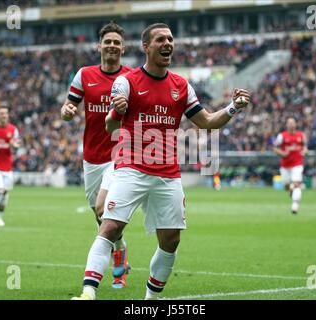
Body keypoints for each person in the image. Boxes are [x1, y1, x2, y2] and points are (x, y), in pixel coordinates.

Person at [71, 23, 250, 300]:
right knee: (110, 225)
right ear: (146, 47)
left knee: (171, 240)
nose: (168, 43)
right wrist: (115, 114)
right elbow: (109, 127)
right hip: (130, 168)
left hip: (168, 173)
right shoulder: (127, 81)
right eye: (160, 39)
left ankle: (150, 300)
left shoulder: (181, 85)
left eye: (170, 39)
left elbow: (206, 122)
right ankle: (88, 292)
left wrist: (233, 107)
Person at [61, 22, 132, 290]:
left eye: (117, 42)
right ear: (99, 46)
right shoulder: (85, 75)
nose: (112, 46)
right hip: (92, 155)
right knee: (99, 216)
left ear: (123, 48)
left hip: (121, 154)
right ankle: (120, 248)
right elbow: (69, 105)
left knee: (105, 209)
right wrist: (66, 111)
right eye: (108, 42)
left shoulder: (131, 77)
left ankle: (93, 284)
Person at [273, 117, 307, 214]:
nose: (291, 125)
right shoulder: (282, 136)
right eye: (289, 123)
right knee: (287, 186)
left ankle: (295, 206)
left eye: (293, 123)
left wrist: (304, 151)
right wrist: (282, 153)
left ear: (296, 124)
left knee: (296, 183)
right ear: (287, 125)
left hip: (297, 164)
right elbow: (275, 148)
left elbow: (305, 146)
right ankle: (291, 190)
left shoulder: (301, 135)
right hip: (285, 165)